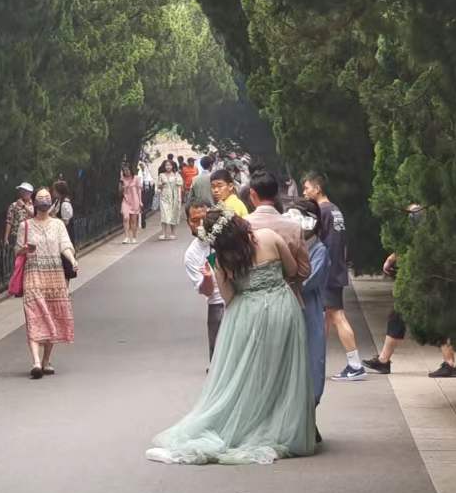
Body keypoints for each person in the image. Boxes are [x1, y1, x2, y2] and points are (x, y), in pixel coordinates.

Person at [147, 208, 317, 465]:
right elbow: (292, 269)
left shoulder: (223, 260)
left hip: (247, 315)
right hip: (283, 307)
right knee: (284, 370)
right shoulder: (270, 237)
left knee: (249, 374)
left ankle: (249, 423)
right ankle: (280, 424)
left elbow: (227, 298)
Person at [364, 210, 456, 379]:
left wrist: (392, 260)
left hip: (426, 283)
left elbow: (412, 251)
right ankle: (383, 360)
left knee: (436, 320)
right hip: (422, 283)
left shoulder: (425, 237)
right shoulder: (429, 233)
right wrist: (392, 258)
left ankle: (451, 364)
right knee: (397, 316)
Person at [302, 173, 365, 382]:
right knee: (327, 318)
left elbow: (326, 245)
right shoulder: (335, 210)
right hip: (336, 268)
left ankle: (355, 364)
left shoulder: (322, 211)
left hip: (328, 271)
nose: (304, 192)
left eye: (307, 188)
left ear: (317, 188)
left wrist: (321, 270)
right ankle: (315, 360)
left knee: (337, 316)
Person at [21, 187, 77, 378]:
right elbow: (16, 251)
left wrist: (72, 259)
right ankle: (36, 362)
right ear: (34, 201)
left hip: (54, 275)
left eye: (47, 197)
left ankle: (46, 360)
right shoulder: (25, 225)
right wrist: (25, 249)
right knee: (34, 315)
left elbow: (65, 245)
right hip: (33, 274)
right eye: (40, 197)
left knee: (51, 315)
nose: (43, 200)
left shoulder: (58, 224)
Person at [296, 200, 332, 421]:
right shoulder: (293, 246)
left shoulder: (319, 251)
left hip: (310, 311)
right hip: (293, 310)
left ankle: (310, 414)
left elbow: (307, 283)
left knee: (312, 360)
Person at [183, 200, 225, 361]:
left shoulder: (227, 237)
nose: (200, 225)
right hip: (218, 305)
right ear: (188, 223)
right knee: (217, 359)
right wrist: (207, 278)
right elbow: (206, 291)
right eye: (194, 221)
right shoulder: (191, 255)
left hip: (242, 300)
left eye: (204, 219)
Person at [247, 169, 306, 270]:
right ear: (276, 194)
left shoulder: (243, 225)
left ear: (252, 194)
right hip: (290, 283)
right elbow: (304, 270)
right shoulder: (294, 226)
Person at [156, 157, 183, 240]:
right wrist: (161, 185)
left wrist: (179, 198)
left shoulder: (176, 175)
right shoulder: (161, 175)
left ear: (172, 166)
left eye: (169, 165)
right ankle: (163, 233)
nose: (168, 167)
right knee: (164, 215)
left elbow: (179, 187)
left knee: (173, 214)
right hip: (164, 197)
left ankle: (173, 233)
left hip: (174, 196)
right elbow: (158, 187)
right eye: (166, 165)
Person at [6, 182, 35, 251]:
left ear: (30, 193)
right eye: (21, 191)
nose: (22, 193)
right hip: (16, 235)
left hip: (30, 235)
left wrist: (24, 206)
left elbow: (35, 216)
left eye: (25, 191)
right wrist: (6, 237)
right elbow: (9, 221)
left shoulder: (34, 206)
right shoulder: (13, 205)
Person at [120, 163, 143, 244]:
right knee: (125, 217)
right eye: (125, 170)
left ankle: (134, 236)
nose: (126, 172)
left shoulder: (136, 178)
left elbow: (139, 191)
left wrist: (140, 201)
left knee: (133, 220)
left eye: (128, 170)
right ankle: (126, 236)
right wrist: (122, 186)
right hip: (126, 200)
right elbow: (120, 191)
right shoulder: (122, 179)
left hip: (134, 200)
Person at [138, 156, 155, 227]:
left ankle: (142, 220)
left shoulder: (145, 167)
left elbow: (149, 178)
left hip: (144, 188)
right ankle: (140, 221)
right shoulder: (138, 167)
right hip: (139, 187)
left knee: (143, 205)